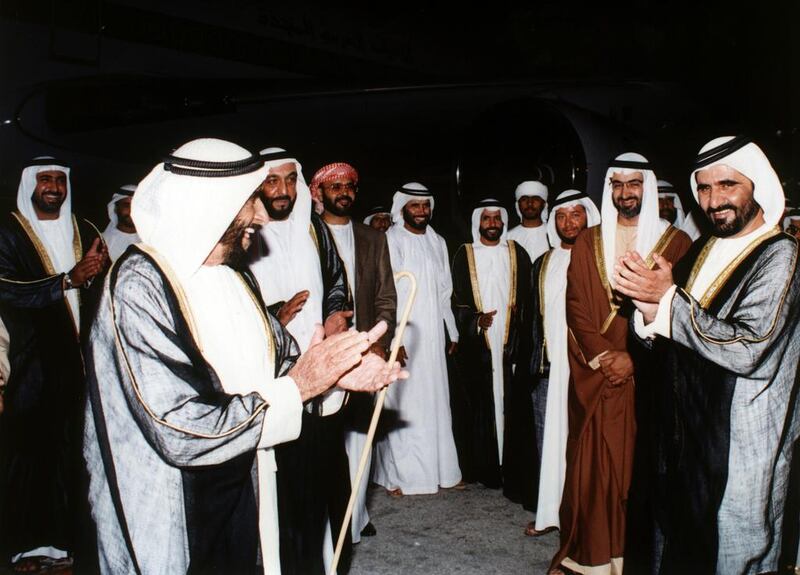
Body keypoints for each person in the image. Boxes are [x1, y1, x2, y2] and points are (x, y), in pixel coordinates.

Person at [83, 138, 405, 574]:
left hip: (249, 482)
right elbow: (179, 427)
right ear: (208, 204)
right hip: (181, 505)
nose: (259, 213)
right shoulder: (139, 286)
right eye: (248, 199)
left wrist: (336, 373)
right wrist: (302, 384)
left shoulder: (233, 275)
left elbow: (285, 362)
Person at [615, 136, 800, 575]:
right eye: (703, 188)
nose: (713, 200)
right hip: (688, 435)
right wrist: (647, 311)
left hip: (740, 441)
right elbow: (674, 328)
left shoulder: (782, 256)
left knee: (736, 549)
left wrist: (669, 301)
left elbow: (749, 348)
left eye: (727, 185)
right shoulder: (704, 248)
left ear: (756, 187)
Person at [550, 153, 691, 575]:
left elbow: (680, 312)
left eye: (634, 184)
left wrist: (633, 358)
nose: (625, 193)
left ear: (647, 188)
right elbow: (575, 307)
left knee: (638, 468)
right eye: (618, 184)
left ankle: (636, 559)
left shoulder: (677, 243)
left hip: (646, 378)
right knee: (592, 470)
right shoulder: (588, 241)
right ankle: (590, 557)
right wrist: (602, 357)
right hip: (596, 375)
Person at [249, 147, 355, 575]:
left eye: (290, 180)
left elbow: (336, 279)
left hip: (320, 369)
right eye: (272, 181)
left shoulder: (312, 225)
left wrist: (333, 316)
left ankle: (331, 561)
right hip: (271, 373)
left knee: (326, 468)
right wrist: (275, 314)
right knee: (286, 480)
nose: (283, 191)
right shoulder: (245, 228)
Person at [0, 156, 108, 572]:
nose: (53, 187)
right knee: (28, 456)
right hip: (29, 366)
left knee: (72, 455)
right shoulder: (8, 232)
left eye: (59, 180)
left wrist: (91, 277)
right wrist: (66, 280)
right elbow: (7, 290)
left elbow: (101, 285)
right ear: (30, 184)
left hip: (78, 365)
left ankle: (67, 543)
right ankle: (25, 548)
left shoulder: (86, 229)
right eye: (45, 179)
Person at [311, 162, 397, 542]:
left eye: (349, 186)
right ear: (319, 192)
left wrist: (379, 340)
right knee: (327, 441)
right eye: (335, 186)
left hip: (363, 352)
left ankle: (357, 515)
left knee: (362, 439)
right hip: (321, 353)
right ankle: (332, 521)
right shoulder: (308, 236)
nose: (343, 192)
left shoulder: (373, 238)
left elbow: (386, 297)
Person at [373, 182, 462, 496]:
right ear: (403, 208)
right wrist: (394, 339)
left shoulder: (437, 241)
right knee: (405, 402)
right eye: (415, 206)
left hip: (433, 336)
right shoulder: (391, 239)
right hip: (404, 333)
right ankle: (399, 476)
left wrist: (451, 330)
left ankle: (441, 470)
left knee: (435, 401)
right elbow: (387, 294)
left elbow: (444, 293)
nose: (422, 212)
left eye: (426, 206)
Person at [525, 190, 600, 538]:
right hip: (549, 367)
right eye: (562, 216)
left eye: (576, 215)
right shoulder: (543, 262)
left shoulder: (602, 258)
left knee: (586, 442)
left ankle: (584, 518)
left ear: (589, 217)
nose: (569, 222)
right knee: (548, 439)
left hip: (588, 368)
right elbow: (531, 319)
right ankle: (550, 512)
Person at [450, 199, 532, 492]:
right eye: (487, 218)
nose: (493, 223)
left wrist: (519, 334)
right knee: (482, 402)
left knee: (511, 400)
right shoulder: (465, 254)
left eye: (497, 218)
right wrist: (475, 321)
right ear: (478, 223)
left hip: (511, 340)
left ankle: (511, 466)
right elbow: (457, 299)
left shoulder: (517, 253)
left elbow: (527, 297)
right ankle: (485, 467)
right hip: (480, 346)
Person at [507, 180, 550, 261]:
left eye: (536, 199)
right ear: (518, 204)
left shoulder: (553, 233)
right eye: (524, 199)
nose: (530, 203)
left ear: (544, 204)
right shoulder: (509, 237)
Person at [102, 184, 140, 261]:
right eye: (126, 205)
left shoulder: (151, 243)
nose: (132, 210)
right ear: (116, 208)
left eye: (136, 205)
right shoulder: (103, 243)